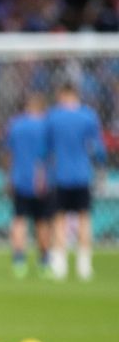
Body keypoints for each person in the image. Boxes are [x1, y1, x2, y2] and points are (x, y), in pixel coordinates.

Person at [46, 82, 105, 280]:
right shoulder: (88, 116)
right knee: (84, 218)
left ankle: (60, 264)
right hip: (82, 174)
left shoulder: (53, 116)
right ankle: (84, 265)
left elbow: (45, 149)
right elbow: (98, 149)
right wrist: (101, 168)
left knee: (59, 218)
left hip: (60, 175)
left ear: (62, 95)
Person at [3, 93, 52, 278]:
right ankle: (44, 262)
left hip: (20, 179)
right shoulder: (46, 127)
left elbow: (8, 154)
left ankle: (19, 261)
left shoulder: (15, 125)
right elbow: (50, 155)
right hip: (42, 181)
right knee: (42, 221)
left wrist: (8, 178)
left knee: (19, 219)